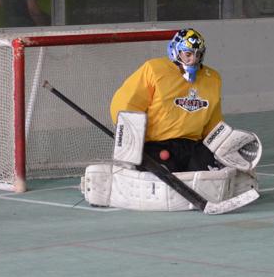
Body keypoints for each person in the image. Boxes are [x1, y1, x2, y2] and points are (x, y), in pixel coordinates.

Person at [81, 29, 261, 210]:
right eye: (188, 54)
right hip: (158, 146)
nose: (193, 59)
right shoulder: (154, 70)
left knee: (211, 177)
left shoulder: (212, 79)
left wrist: (221, 144)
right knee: (163, 181)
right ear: (176, 51)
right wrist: (132, 141)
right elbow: (126, 103)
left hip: (193, 145)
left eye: (198, 55)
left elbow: (213, 123)